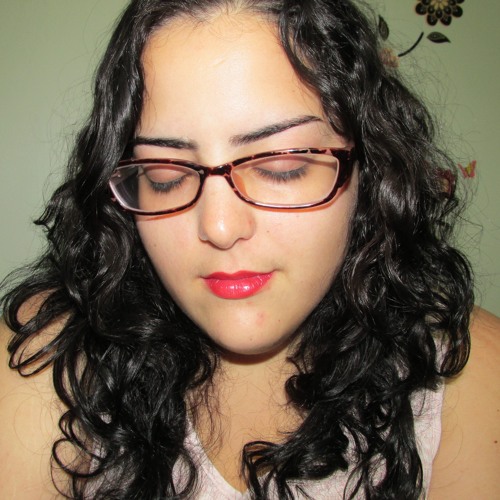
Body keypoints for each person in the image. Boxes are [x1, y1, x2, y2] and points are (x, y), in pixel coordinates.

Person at [1, 0, 499, 498]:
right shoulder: (43, 364)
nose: (219, 228)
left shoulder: (472, 379)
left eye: (283, 166)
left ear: (371, 171)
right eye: (165, 175)